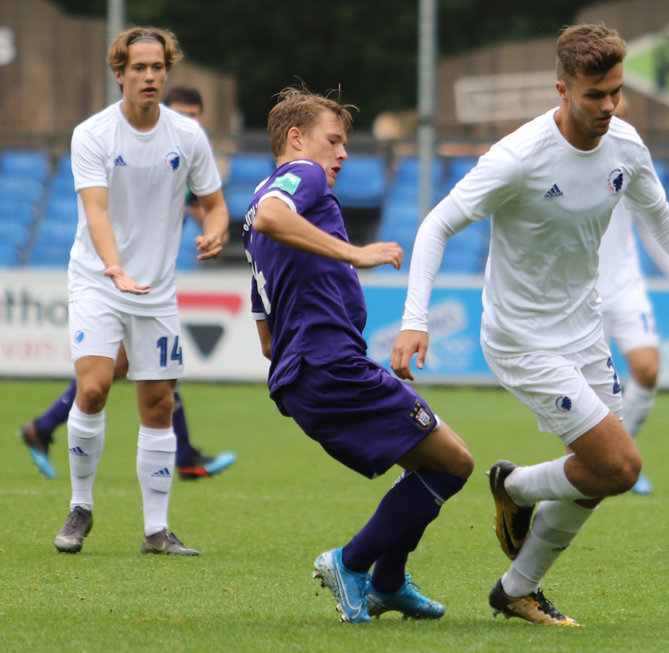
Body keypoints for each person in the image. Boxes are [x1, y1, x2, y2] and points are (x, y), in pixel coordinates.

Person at [390, 24, 669, 626]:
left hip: (583, 331)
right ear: (562, 89)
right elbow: (435, 225)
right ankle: (512, 489)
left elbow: (663, 219)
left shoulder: (626, 146)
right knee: (622, 466)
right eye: (595, 95)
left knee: (594, 475)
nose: (608, 107)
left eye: (616, 92)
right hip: (521, 338)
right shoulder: (518, 157)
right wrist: (414, 320)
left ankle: (517, 588)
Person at [243, 86, 473, 623]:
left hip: (303, 374)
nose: (342, 153)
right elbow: (279, 217)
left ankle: (389, 583)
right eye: (334, 140)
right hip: (329, 365)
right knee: (455, 464)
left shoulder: (254, 206)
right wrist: (357, 254)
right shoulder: (303, 177)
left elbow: (266, 336)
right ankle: (352, 563)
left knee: (427, 463)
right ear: (296, 138)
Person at [52, 26, 229, 556]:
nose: (149, 76)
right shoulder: (93, 134)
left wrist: (216, 228)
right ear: (119, 73)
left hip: (156, 289)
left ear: (166, 71)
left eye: (158, 67)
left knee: (159, 401)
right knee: (94, 387)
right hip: (98, 281)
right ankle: (81, 506)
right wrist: (114, 268)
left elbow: (214, 202)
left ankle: (157, 530)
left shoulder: (188, 136)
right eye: (138, 68)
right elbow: (97, 210)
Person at [19, 85, 236, 482]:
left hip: (152, 281)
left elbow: (205, 204)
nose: (189, 121)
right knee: (115, 378)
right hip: (111, 278)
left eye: (195, 115)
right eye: (182, 113)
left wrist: (214, 228)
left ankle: (43, 428)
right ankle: (178, 456)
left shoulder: (186, 148)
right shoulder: (119, 141)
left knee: (128, 372)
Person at [597, 96, 669, 496]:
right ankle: (594, 464)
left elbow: (654, 223)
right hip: (579, 292)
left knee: (648, 370)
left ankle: (625, 455)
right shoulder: (562, 155)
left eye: (619, 112)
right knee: (590, 391)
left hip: (625, 284)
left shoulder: (630, 158)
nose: (611, 118)